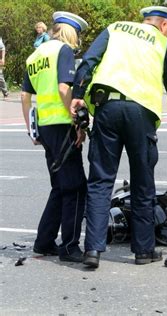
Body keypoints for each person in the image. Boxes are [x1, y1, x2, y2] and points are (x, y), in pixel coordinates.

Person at [71, 5, 167, 268]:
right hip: (141, 115)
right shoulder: (163, 46)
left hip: (107, 109)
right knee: (142, 183)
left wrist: (78, 93)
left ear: (145, 20)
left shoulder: (115, 29)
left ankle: (92, 250)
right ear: (165, 26)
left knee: (100, 181)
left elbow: (89, 61)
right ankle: (144, 250)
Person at [21, 12, 88, 262]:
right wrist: (76, 120)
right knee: (75, 187)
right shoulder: (63, 51)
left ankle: (44, 241)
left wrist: (31, 129)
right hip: (63, 126)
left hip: (46, 128)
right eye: (77, 35)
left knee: (59, 186)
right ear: (71, 32)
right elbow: (63, 88)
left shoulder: (35, 55)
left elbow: (25, 97)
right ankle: (70, 247)